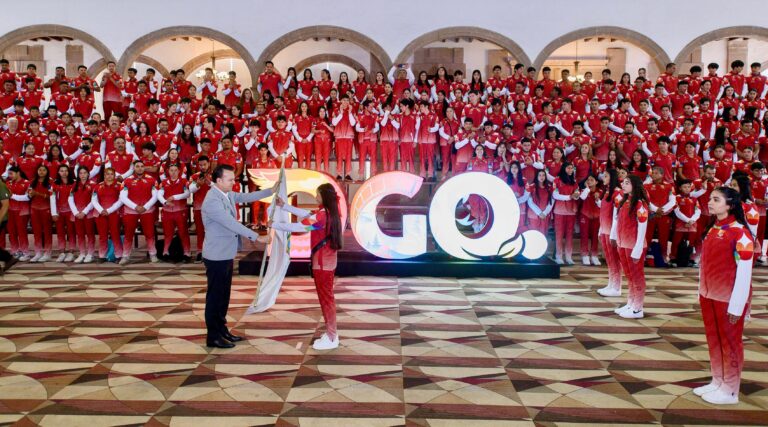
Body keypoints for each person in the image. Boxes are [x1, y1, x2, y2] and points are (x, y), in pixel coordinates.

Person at [201, 164, 277, 349]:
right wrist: (257, 237)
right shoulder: (212, 200)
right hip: (216, 255)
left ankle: (222, 329)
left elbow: (246, 196)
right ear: (218, 181)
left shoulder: (226, 194)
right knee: (215, 297)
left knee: (224, 295)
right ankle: (213, 336)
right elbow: (230, 223)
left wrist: (271, 190)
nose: (234, 182)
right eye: (230, 179)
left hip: (225, 253)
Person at [695, 186, 754, 405]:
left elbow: (744, 273)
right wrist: (701, 289)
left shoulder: (740, 233)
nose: (710, 202)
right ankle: (717, 380)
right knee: (713, 339)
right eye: (710, 198)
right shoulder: (712, 228)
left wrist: (737, 306)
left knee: (730, 342)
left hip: (728, 298)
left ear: (730, 205)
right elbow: (705, 264)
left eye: (716, 199)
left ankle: (730, 389)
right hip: (708, 295)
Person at [270, 183, 343, 350]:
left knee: (326, 300)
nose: (316, 197)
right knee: (327, 299)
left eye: (317, 195)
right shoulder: (329, 212)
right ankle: (331, 334)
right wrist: (285, 206)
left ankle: (332, 337)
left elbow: (299, 226)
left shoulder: (323, 217)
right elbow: (307, 214)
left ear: (324, 196)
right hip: (327, 261)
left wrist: (274, 225)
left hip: (322, 264)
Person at [610, 174, 650, 318]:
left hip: (633, 245)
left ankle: (638, 308)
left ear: (634, 185)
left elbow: (642, 226)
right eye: (623, 182)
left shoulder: (640, 203)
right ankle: (631, 303)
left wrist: (638, 248)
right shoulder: (625, 201)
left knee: (637, 276)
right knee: (629, 275)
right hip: (623, 243)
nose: (623, 185)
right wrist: (614, 236)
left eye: (627, 183)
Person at [597, 169, 623, 296]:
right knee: (608, 259)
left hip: (612, 231)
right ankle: (611, 284)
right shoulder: (606, 192)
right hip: (604, 229)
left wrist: (613, 234)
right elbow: (602, 213)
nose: (603, 178)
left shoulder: (617, 193)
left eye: (606, 176)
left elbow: (616, 216)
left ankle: (617, 287)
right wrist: (600, 229)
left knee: (614, 259)